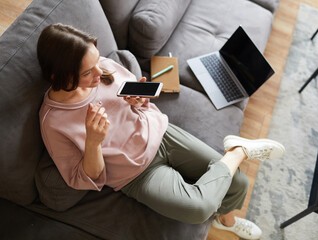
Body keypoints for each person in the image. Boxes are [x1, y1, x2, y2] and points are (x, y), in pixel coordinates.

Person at [37, 23, 285, 240]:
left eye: (97, 62)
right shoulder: (54, 123)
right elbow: (83, 178)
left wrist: (138, 102)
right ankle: (239, 150)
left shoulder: (102, 67)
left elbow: (133, 100)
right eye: (87, 72)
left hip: (162, 133)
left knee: (238, 181)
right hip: (137, 173)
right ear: (58, 75)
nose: (99, 73)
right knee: (198, 208)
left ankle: (226, 222)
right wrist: (93, 143)